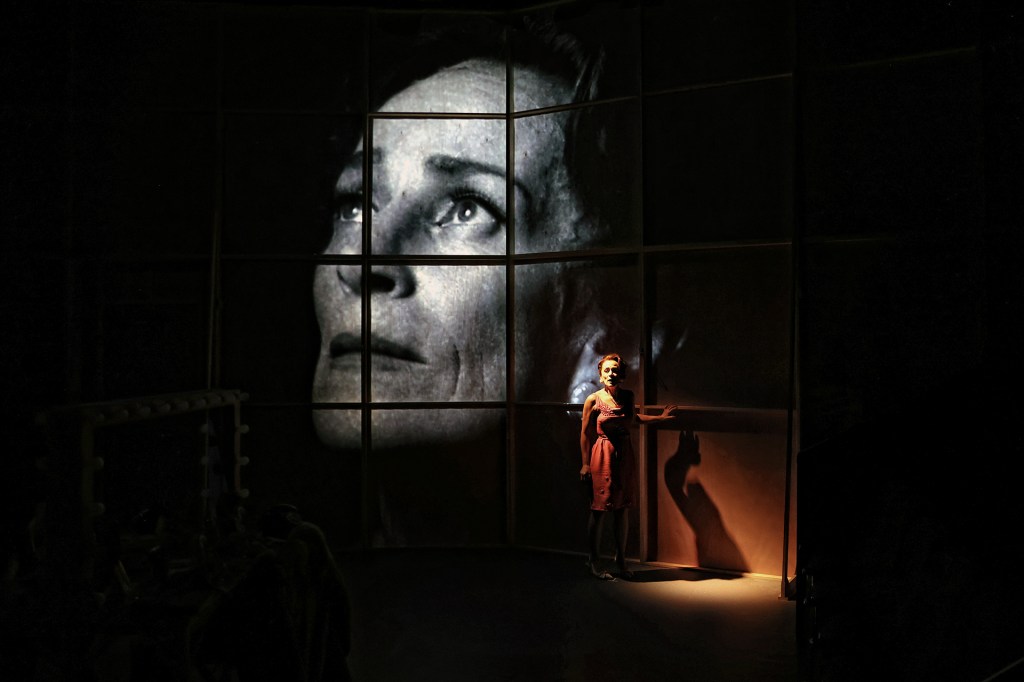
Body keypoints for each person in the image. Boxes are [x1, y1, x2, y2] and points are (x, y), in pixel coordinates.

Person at [580, 353, 678, 579]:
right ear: (600, 374)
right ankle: (593, 561)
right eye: (606, 370)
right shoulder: (593, 400)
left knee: (622, 508)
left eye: (615, 370)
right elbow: (584, 433)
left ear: (621, 374)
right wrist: (585, 463)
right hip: (602, 455)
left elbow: (634, 418)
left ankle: (621, 560)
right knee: (599, 510)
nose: (611, 374)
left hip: (624, 457)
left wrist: (660, 418)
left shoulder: (627, 396)